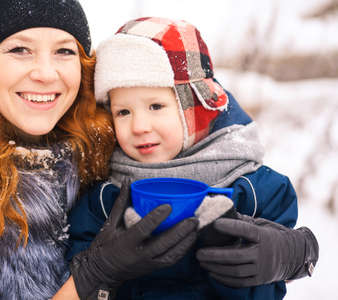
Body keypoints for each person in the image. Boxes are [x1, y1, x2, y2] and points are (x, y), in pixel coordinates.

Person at [0, 3, 200, 300]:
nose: (46, 73)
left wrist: (244, 248)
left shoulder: (106, 133)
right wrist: (93, 275)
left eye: (64, 51)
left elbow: (209, 117)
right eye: (20, 50)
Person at [66, 17, 319, 299]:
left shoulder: (254, 189)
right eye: (123, 112)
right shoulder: (105, 197)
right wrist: (103, 271)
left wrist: (284, 256)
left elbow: (268, 290)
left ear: (195, 109)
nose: (139, 126)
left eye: (156, 105)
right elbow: (78, 283)